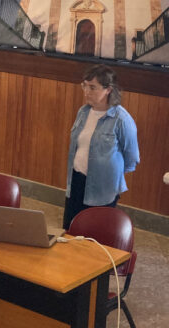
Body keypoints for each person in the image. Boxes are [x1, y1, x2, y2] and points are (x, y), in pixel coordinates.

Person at [63, 64, 139, 229]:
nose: (86, 92)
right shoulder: (83, 112)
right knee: (70, 230)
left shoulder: (121, 119)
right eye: (84, 86)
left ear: (108, 90)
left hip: (103, 187)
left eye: (92, 87)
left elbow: (131, 158)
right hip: (77, 181)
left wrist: (107, 173)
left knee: (94, 232)